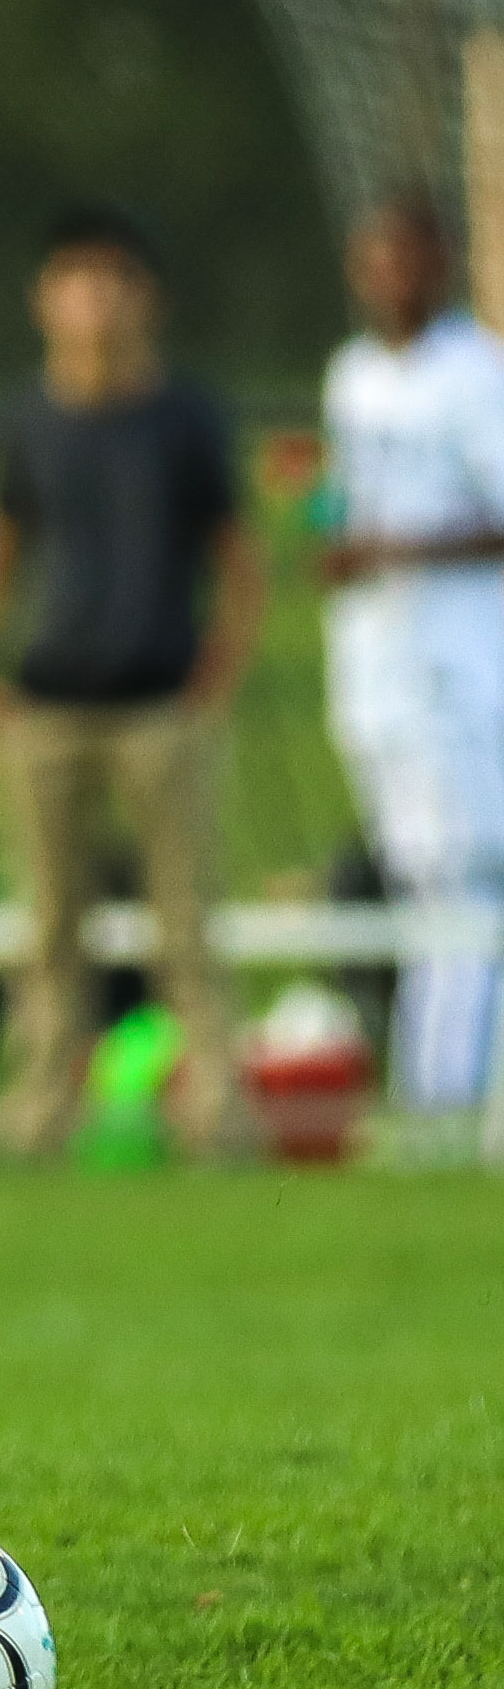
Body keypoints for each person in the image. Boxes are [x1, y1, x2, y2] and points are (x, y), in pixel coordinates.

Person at [0, 203, 263, 1158]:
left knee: (187, 922)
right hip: (47, 706)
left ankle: (218, 1111)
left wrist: (214, 677)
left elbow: (239, 557)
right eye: (77, 279)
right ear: (44, 299)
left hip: (161, 702)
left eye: (115, 279)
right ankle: (38, 1109)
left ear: (146, 297)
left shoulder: (186, 414)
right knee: (45, 929)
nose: (97, 301)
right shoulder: (25, 419)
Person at [316, 192, 504, 1136]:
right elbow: (347, 505)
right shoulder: (350, 375)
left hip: (462, 674)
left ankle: (449, 1102)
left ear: (439, 262)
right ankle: (431, 1096)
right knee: (417, 884)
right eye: (372, 255)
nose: (387, 273)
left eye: (405, 255)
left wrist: (398, 551)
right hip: (374, 674)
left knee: (469, 884)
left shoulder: (477, 373)